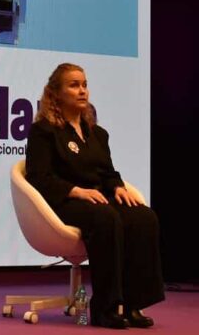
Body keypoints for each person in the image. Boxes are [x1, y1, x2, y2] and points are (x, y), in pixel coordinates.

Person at [25, 64, 164, 329]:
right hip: (64, 201)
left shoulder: (97, 133)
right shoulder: (44, 131)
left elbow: (107, 172)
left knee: (143, 217)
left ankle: (133, 305)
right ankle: (105, 308)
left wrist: (117, 187)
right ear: (55, 93)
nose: (82, 91)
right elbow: (38, 176)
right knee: (106, 218)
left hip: (97, 198)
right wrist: (75, 191)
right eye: (74, 85)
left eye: (84, 85)